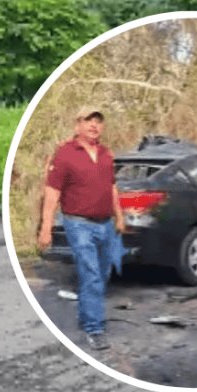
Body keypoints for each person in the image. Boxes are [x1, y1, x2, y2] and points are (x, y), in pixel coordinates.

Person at [37, 107, 126, 352]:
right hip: (79, 224)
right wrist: (46, 228)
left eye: (98, 121)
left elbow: (112, 187)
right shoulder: (65, 155)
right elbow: (52, 192)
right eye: (88, 121)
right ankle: (94, 328)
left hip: (105, 223)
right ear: (77, 125)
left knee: (103, 274)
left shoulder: (107, 154)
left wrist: (119, 216)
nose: (94, 125)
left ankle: (88, 312)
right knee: (91, 275)